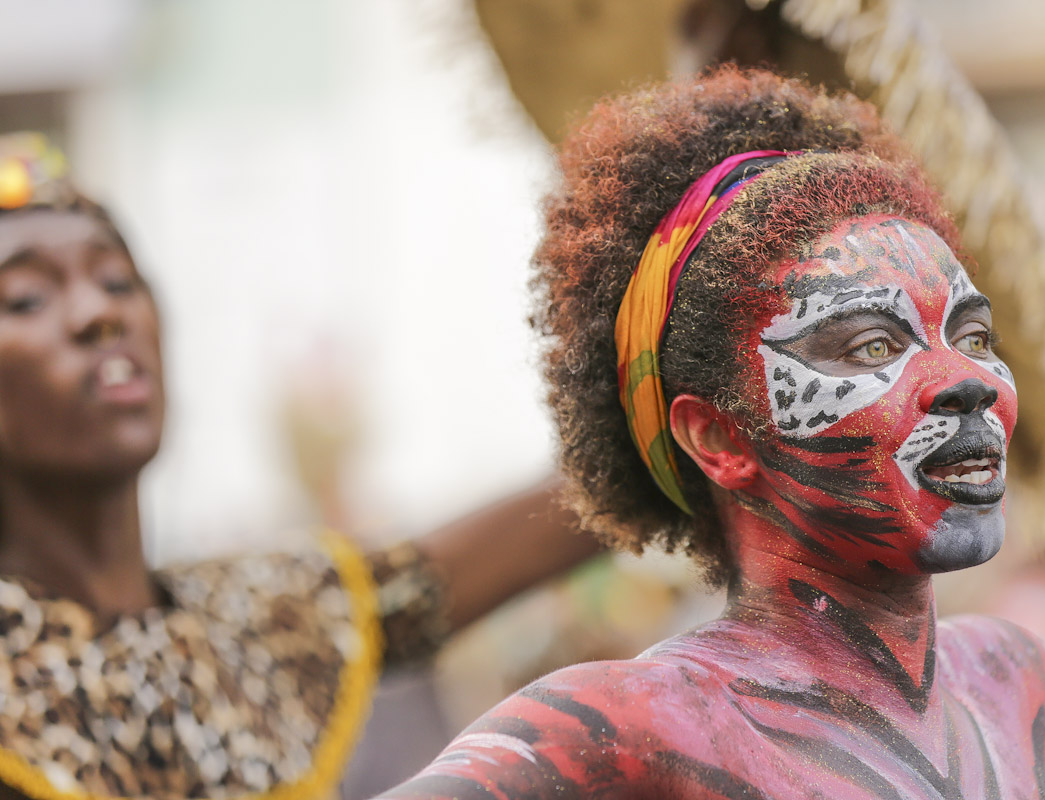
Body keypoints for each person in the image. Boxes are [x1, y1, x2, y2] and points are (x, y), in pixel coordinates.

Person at [382, 68, 1045, 799]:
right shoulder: (633, 726)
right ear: (719, 439)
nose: (969, 380)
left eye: (975, 336)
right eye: (872, 346)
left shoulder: (1018, 688)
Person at [0, 132, 599, 800]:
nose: (99, 313)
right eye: (26, 298)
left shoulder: (254, 620)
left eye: (116, 281)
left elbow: (497, 547)